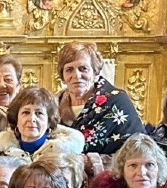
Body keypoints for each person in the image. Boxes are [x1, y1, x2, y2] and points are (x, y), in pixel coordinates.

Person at [56, 42, 145, 175]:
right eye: (69, 69)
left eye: (83, 68)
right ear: (63, 76)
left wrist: (89, 162)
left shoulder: (117, 101)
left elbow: (137, 150)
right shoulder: (52, 104)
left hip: (108, 184)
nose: (77, 75)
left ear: (95, 72)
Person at [0, 86, 85, 162]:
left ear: (48, 121)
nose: (32, 119)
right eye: (26, 112)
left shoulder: (63, 155)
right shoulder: (2, 152)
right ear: (16, 119)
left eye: (39, 113)